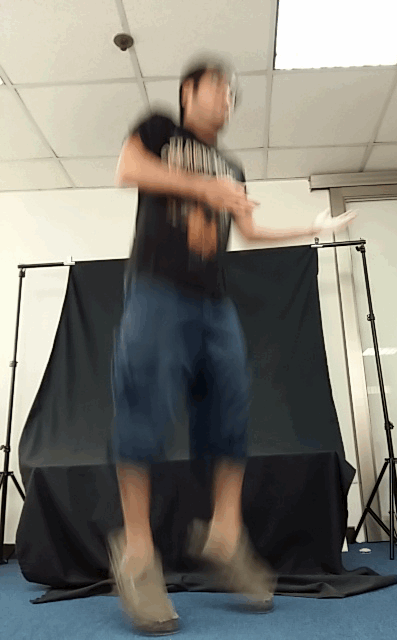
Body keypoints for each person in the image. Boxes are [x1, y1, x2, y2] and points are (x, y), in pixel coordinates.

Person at [108, 53, 357, 636]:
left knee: (232, 412)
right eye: (217, 87)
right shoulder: (159, 129)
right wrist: (205, 186)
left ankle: (225, 534)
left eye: (231, 93)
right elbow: (128, 168)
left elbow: (248, 229)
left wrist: (312, 229)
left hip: (212, 301)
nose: (227, 98)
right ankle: (138, 553)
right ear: (188, 91)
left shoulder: (233, 165)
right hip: (155, 290)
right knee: (143, 411)